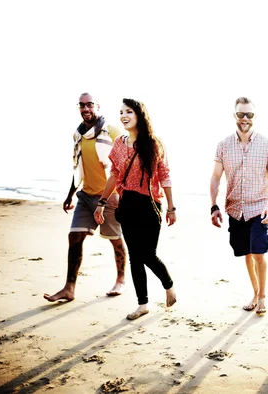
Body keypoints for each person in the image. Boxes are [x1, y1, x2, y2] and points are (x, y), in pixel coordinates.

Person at [94, 98, 176, 320]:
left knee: (148, 254)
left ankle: (168, 285)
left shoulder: (154, 143)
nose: (124, 115)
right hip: (127, 203)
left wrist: (171, 207)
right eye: (121, 112)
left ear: (139, 114)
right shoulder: (119, 144)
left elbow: (165, 174)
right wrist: (102, 203)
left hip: (150, 205)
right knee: (134, 257)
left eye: (128, 111)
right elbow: (114, 175)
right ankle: (143, 304)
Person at [44, 93, 126, 302]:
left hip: (110, 197)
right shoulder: (78, 134)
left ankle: (121, 279)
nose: (85, 108)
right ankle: (69, 288)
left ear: (98, 106)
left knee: (115, 240)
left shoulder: (113, 131)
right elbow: (78, 167)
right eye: (81, 105)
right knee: (74, 237)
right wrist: (70, 194)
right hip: (86, 195)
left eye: (89, 104)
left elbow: (125, 165)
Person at [210, 97, 268, 316]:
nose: (245, 119)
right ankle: (255, 292)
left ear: (255, 117)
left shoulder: (267, 144)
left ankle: (262, 298)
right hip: (234, 210)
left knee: (258, 253)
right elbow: (215, 177)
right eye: (241, 114)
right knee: (247, 254)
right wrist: (214, 206)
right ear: (235, 116)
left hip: (258, 208)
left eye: (249, 114)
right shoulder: (223, 145)